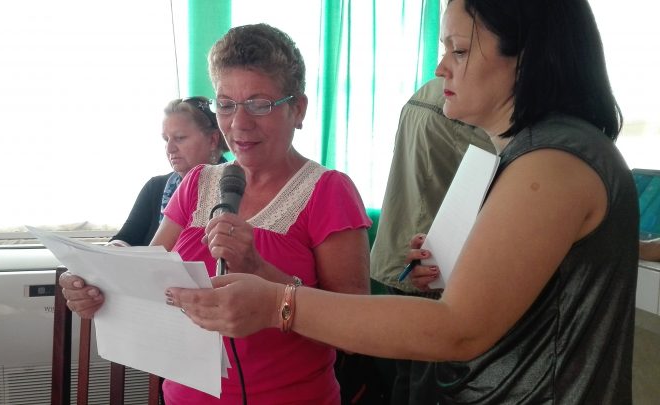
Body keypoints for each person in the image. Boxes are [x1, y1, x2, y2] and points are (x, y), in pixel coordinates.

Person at [166, 0, 639, 403]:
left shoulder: (553, 162)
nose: (441, 68)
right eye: (227, 103)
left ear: (529, 56)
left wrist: (277, 304)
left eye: (459, 49)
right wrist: (449, 276)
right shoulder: (524, 156)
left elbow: (459, 329)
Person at [61, 23, 371, 404]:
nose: (239, 125)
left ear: (298, 108)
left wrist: (259, 268)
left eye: (260, 104)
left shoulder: (329, 191)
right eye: (225, 105)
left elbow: (356, 335)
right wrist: (99, 291)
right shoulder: (196, 183)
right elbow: (149, 282)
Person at [369, 77, 493, 404]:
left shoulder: (429, 89)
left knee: (408, 379)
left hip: (404, 252)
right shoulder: (474, 101)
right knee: (429, 386)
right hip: (433, 261)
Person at [108, 97, 228, 247]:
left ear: (212, 140)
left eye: (179, 138)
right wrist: (114, 248)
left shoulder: (233, 191)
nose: (170, 149)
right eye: (166, 139)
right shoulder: (155, 187)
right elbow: (126, 237)